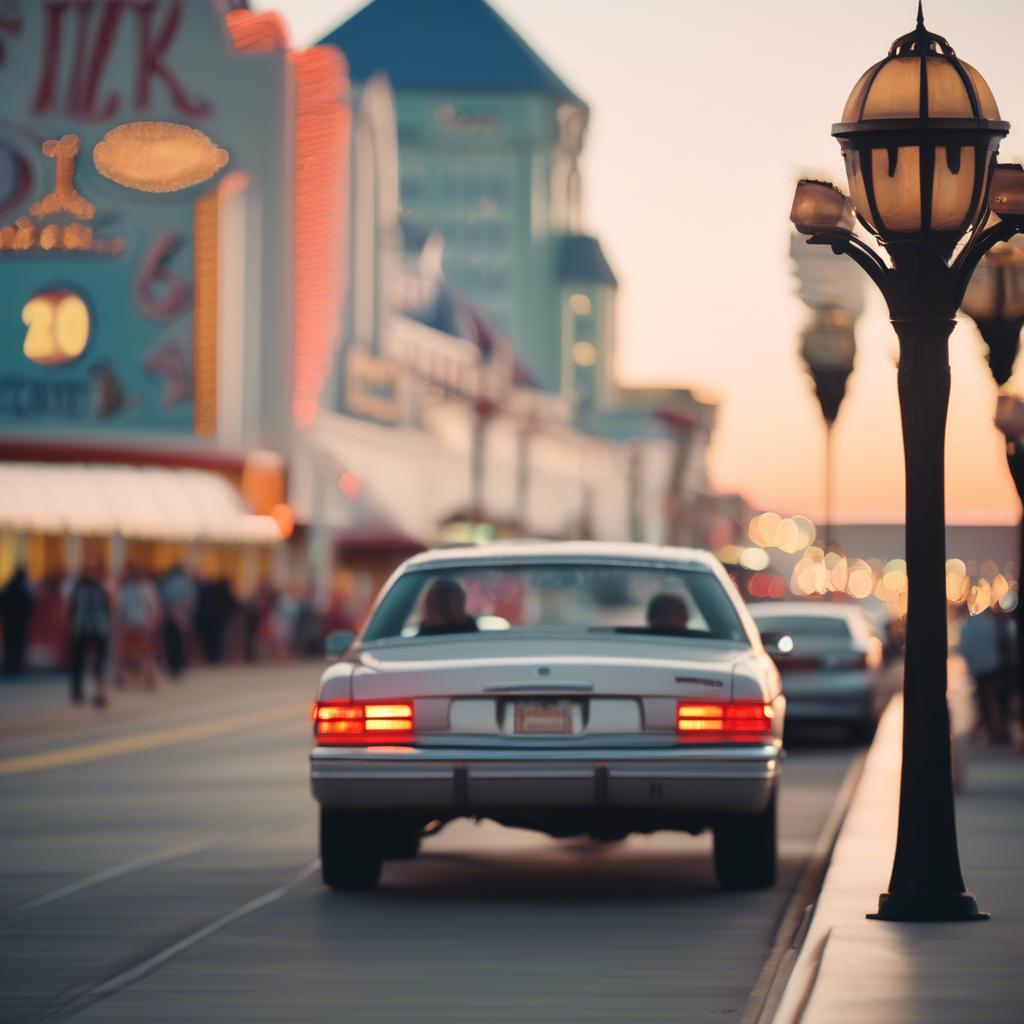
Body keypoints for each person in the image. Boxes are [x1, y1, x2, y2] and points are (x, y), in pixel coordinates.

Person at [959, 606, 1012, 743]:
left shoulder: (966, 626)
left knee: (985, 700)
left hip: (979, 670)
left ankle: (992, 729)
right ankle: (998, 729)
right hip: (994, 667)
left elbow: (964, 649)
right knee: (997, 700)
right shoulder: (990, 623)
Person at [67, 563, 111, 707]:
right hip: (84, 628)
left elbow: (108, 608)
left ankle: (98, 693)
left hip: (96, 628)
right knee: (80, 662)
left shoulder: (99, 588)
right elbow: (71, 608)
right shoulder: (80, 588)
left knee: (97, 662)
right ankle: (79, 691)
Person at [116, 563, 160, 690]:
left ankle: (123, 677)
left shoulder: (125, 588)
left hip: (130, 622)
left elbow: (120, 606)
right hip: (141, 621)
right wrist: (152, 619)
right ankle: (148, 677)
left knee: (125, 652)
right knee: (144, 652)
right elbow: (151, 605)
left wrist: (120, 621)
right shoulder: (145, 587)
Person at [160, 564, 195, 679]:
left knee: (170, 642)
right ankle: (179, 667)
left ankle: (172, 666)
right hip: (182, 615)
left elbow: (164, 599)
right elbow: (190, 600)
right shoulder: (186, 583)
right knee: (180, 642)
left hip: (170, 615)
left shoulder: (168, 582)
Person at [0, 566, 33, 676]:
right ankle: (16, 666)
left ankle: (10, 666)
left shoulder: (8, 587)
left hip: (9, 621)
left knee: (10, 645)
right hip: (18, 622)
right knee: (17, 645)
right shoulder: (21, 589)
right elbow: (28, 605)